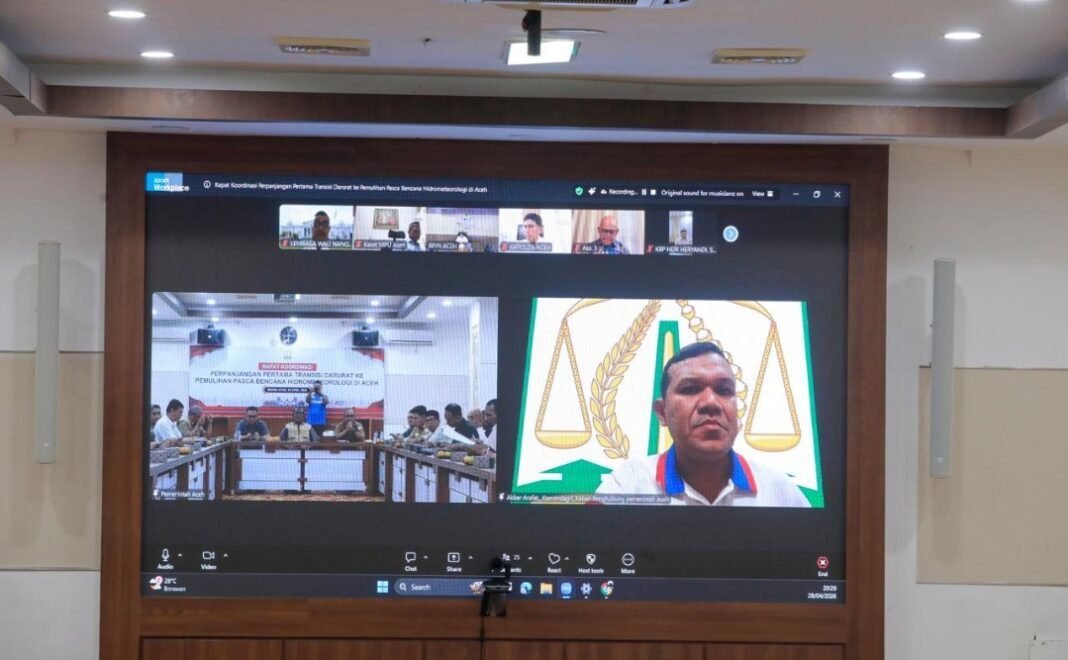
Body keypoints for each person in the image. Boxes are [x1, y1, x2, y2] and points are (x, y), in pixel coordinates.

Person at [596, 342, 809, 507]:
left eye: (724, 390)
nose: (711, 402)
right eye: (690, 389)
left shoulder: (781, 490)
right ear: (662, 412)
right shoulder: (629, 483)